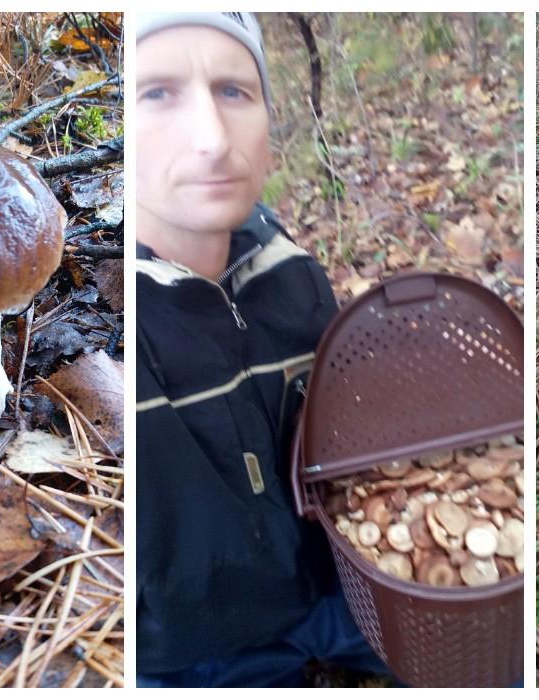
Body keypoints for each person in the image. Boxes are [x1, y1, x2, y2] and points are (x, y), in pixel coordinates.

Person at [134, 12, 395, 687]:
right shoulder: (115, 331)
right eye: (156, 93)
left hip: (338, 594)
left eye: (234, 91)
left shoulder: (293, 275)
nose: (213, 139)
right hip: (194, 650)